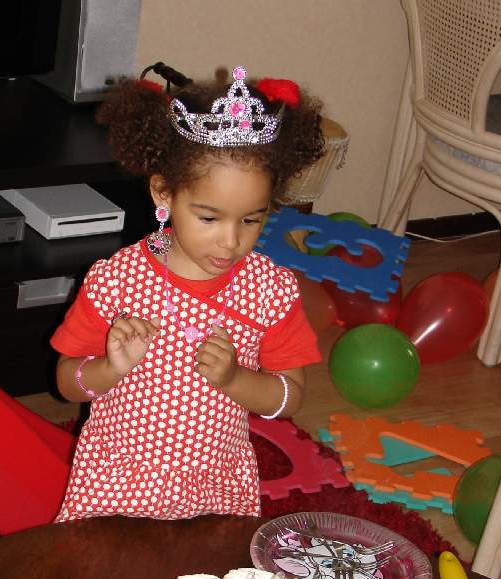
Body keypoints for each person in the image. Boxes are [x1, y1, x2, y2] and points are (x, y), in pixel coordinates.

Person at [51, 65, 326, 521]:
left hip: (218, 486)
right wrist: (109, 368)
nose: (230, 241)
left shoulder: (270, 291)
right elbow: (65, 383)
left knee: (211, 568)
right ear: (164, 194)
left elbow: (290, 397)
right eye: (209, 218)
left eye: (251, 219)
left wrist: (235, 380)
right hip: (117, 482)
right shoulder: (116, 280)